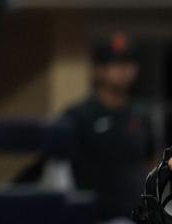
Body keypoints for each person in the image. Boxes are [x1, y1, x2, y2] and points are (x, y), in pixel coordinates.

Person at [59, 34, 153, 222]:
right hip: (92, 215)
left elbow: (150, 161)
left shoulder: (141, 115)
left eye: (129, 63)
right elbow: (60, 170)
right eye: (116, 64)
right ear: (99, 70)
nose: (124, 70)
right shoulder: (79, 116)